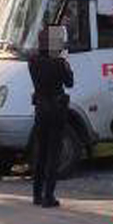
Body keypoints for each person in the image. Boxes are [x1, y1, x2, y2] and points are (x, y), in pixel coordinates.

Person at [28, 26, 74, 208]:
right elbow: (70, 82)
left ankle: (36, 194)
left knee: (41, 152)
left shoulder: (33, 61)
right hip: (56, 110)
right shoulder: (60, 63)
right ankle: (49, 196)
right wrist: (66, 63)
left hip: (40, 109)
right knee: (54, 154)